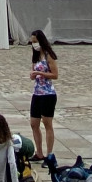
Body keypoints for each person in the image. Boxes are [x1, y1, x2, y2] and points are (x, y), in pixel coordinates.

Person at [28, 29, 58, 162]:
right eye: (32, 42)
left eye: (35, 41)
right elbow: (34, 72)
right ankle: (39, 152)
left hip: (47, 94)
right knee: (34, 123)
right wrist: (33, 74)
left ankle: (49, 154)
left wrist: (41, 74)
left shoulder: (48, 56)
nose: (34, 44)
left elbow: (55, 75)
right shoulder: (35, 57)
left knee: (47, 124)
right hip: (37, 93)